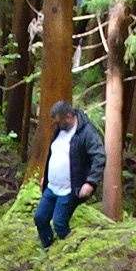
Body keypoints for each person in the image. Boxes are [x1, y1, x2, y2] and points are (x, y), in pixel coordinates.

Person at [34, 100, 107, 249]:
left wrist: (90, 182)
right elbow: (54, 155)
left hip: (70, 189)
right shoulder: (59, 131)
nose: (56, 125)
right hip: (52, 187)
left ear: (68, 116)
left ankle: (70, 251)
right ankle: (48, 248)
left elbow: (99, 157)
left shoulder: (87, 132)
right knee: (40, 218)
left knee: (59, 223)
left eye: (58, 121)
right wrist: (46, 177)